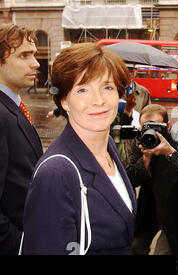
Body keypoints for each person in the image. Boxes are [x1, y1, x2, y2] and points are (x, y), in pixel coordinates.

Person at [22, 43, 136, 254]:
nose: (99, 100)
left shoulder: (108, 147)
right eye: (83, 89)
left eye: (108, 87)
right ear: (64, 100)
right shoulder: (56, 173)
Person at [127, 104, 178, 255]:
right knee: (135, 247)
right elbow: (130, 179)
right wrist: (145, 158)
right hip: (150, 207)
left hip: (177, 210)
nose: (151, 132)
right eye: (145, 127)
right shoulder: (140, 141)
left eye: (156, 127)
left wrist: (170, 153)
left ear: (167, 126)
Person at [0, 24, 42, 255]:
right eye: (24, 55)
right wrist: (21, 246)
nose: (35, 63)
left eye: (34, 54)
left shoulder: (13, 107)